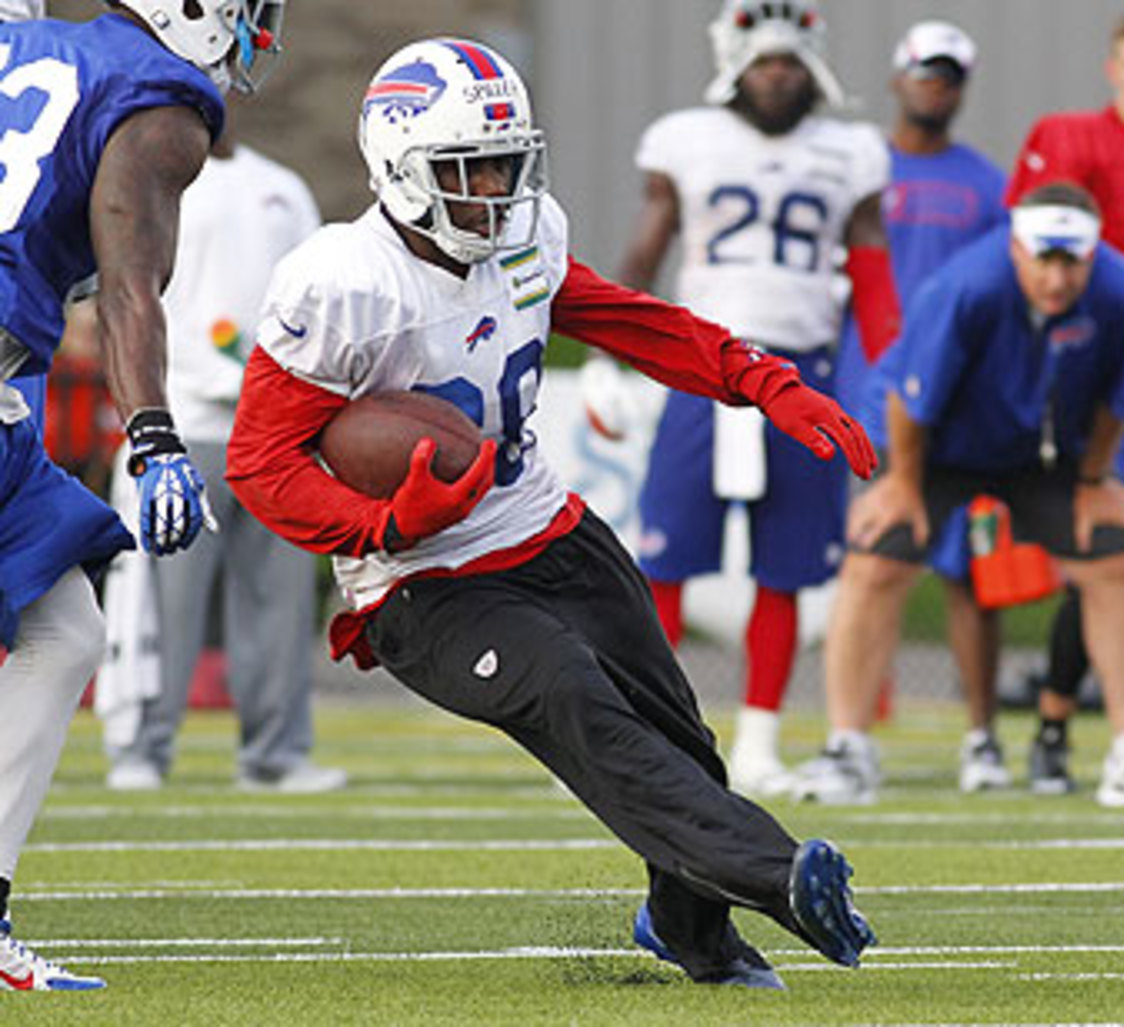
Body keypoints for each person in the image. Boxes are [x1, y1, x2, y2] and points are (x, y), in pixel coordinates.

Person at [227, 36, 878, 988]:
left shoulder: (525, 235)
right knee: (573, 692)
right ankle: (782, 877)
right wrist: (385, 523)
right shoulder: (340, 281)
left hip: (546, 528)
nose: (494, 185)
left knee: (680, 734)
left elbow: (628, 319)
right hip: (423, 582)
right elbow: (259, 461)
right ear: (399, 171)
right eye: (468, 167)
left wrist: (760, 380)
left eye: (505, 161)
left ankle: (691, 935)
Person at [0, 0, 285, 992]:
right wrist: (157, 437)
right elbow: (131, 291)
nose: (262, 35)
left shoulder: (26, 40)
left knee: (65, 632)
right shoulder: (163, 101)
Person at [794, 182, 1124, 813]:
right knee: (877, 556)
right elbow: (910, 397)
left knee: (1118, 551)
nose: (1058, 277)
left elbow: (1119, 400)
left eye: (1073, 261)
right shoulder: (966, 288)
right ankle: (848, 749)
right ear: (1015, 247)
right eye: (1045, 258)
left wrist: (1093, 486)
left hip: (1045, 450)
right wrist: (901, 486)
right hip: (938, 444)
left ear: (1094, 254)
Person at [598, 0, 899, 798]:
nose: (778, 75)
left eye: (790, 63)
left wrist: (888, 378)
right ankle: (636, 733)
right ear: (734, 61)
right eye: (766, 62)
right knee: (662, 564)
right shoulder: (685, 139)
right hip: (703, 372)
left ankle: (759, 743)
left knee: (787, 569)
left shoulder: (851, 150)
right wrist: (609, 355)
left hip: (806, 377)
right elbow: (646, 249)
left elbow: (873, 282)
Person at [100, 99, 345, 793]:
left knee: (278, 599)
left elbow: (318, 300)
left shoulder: (283, 187)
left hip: (273, 432)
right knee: (163, 601)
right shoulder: (151, 178)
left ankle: (275, 752)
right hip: (183, 425)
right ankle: (143, 747)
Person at [1007, 7, 1124, 792]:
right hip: (1109, 373)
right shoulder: (1074, 138)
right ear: (1114, 69)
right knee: (1107, 553)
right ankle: (1054, 721)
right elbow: (1031, 248)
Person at [836, 20, 1013, 795]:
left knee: (977, 571)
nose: (933, 86)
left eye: (948, 76)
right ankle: (853, 735)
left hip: (960, 407)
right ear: (898, 77)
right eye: (923, 72)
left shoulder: (986, 184)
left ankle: (980, 736)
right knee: (876, 563)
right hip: (872, 396)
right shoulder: (859, 170)